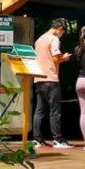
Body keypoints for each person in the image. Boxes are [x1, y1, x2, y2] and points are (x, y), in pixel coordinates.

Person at [32, 18, 72, 149]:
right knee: (55, 111)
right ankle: (58, 140)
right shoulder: (54, 39)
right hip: (51, 78)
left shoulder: (39, 39)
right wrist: (64, 58)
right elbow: (55, 58)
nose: (62, 34)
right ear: (59, 28)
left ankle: (37, 140)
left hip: (38, 78)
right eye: (63, 31)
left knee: (39, 111)